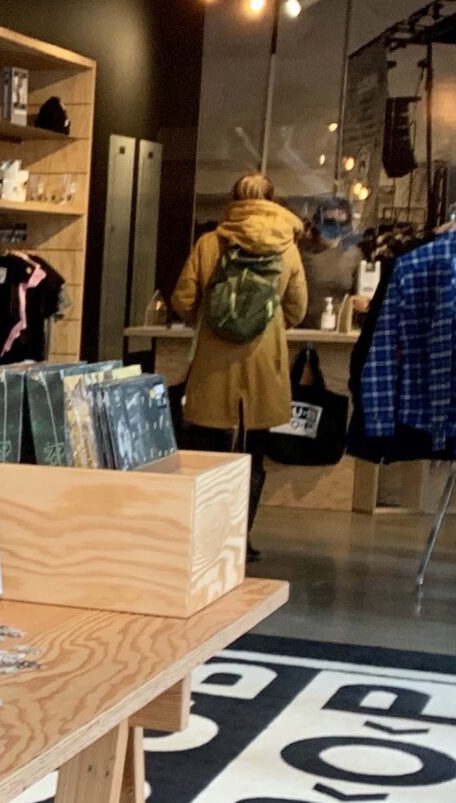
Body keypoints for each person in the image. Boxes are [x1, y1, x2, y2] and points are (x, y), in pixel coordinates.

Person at [170, 172, 310, 559]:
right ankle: (240, 539)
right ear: (273, 199)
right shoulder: (287, 247)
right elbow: (297, 308)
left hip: (213, 369)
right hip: (264, 367)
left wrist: (210, 316)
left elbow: (182, 300)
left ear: (232, 199)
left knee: (209, 456)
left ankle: (203, 538)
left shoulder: (209, 242)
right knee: (253, 456)